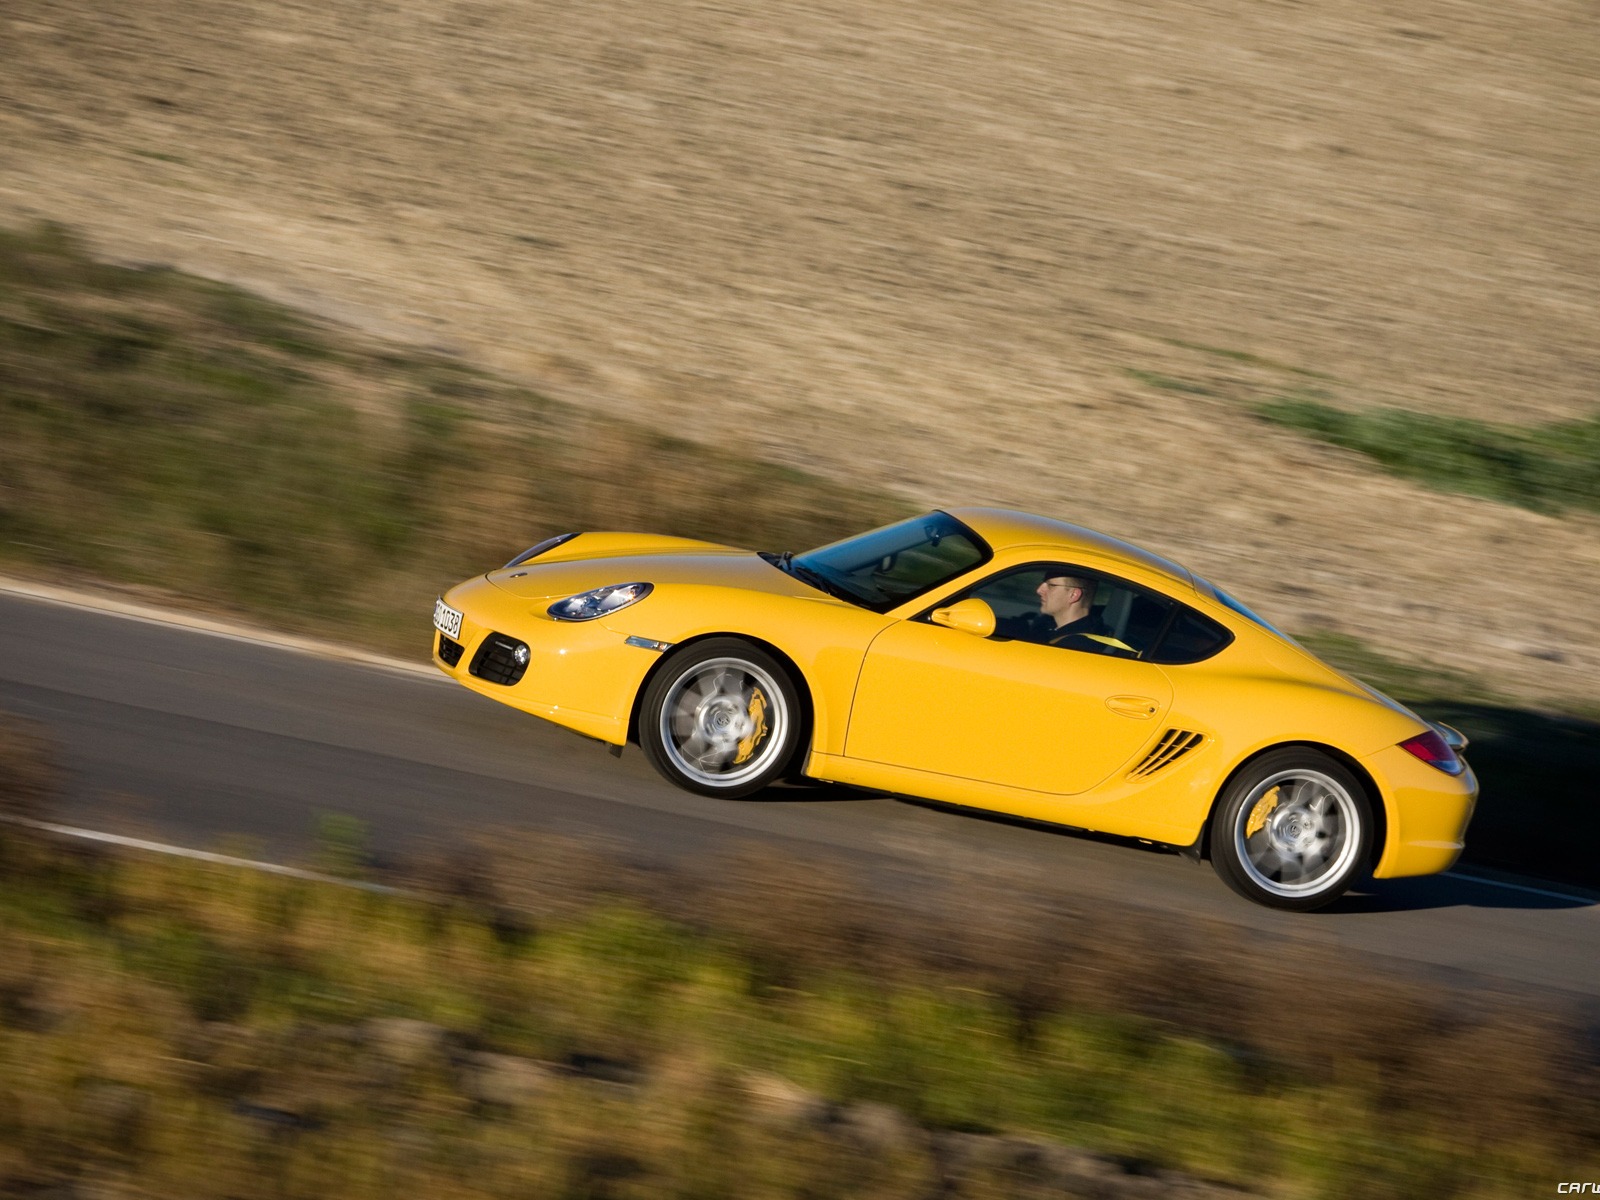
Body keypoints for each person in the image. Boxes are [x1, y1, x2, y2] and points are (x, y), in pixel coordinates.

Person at [997, 572, 1130, 654]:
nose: (1039, 590)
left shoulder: (1075, 648)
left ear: (1073, 595)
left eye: (1051, 585)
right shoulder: (1049, 625)